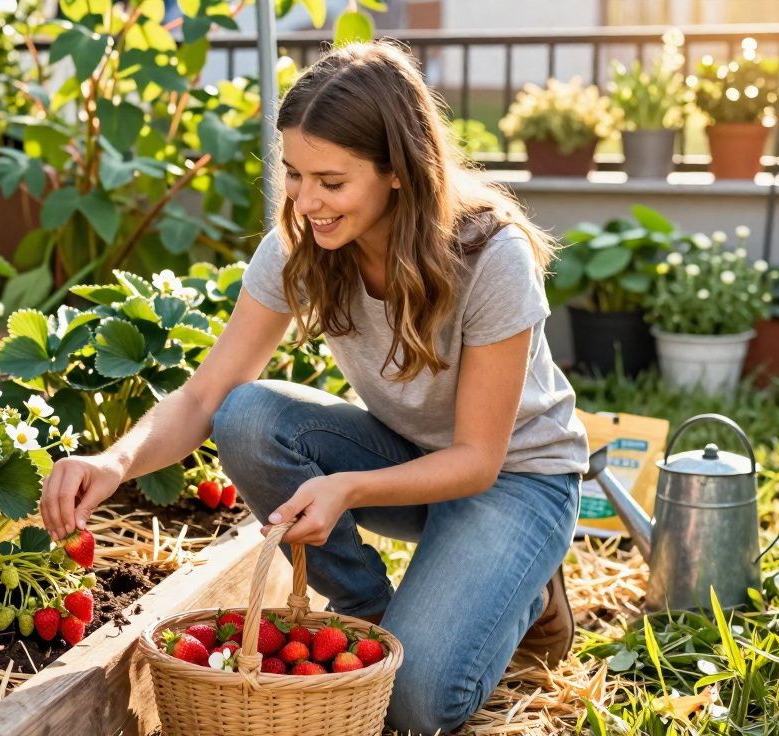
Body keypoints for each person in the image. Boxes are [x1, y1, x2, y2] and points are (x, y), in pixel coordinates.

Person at [39, 40, 588, 735]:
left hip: (514, 479)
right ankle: (368, 614)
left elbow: (479, 460)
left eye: (331, 181)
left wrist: (348, 488)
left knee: (415, 707)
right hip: (409, 457)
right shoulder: (303, 243)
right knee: (246, 416)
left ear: (399, 171)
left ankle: (529, 591)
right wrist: (114, 461)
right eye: (294, 175)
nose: (306, 201)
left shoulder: (489, 255)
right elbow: (205, 397)